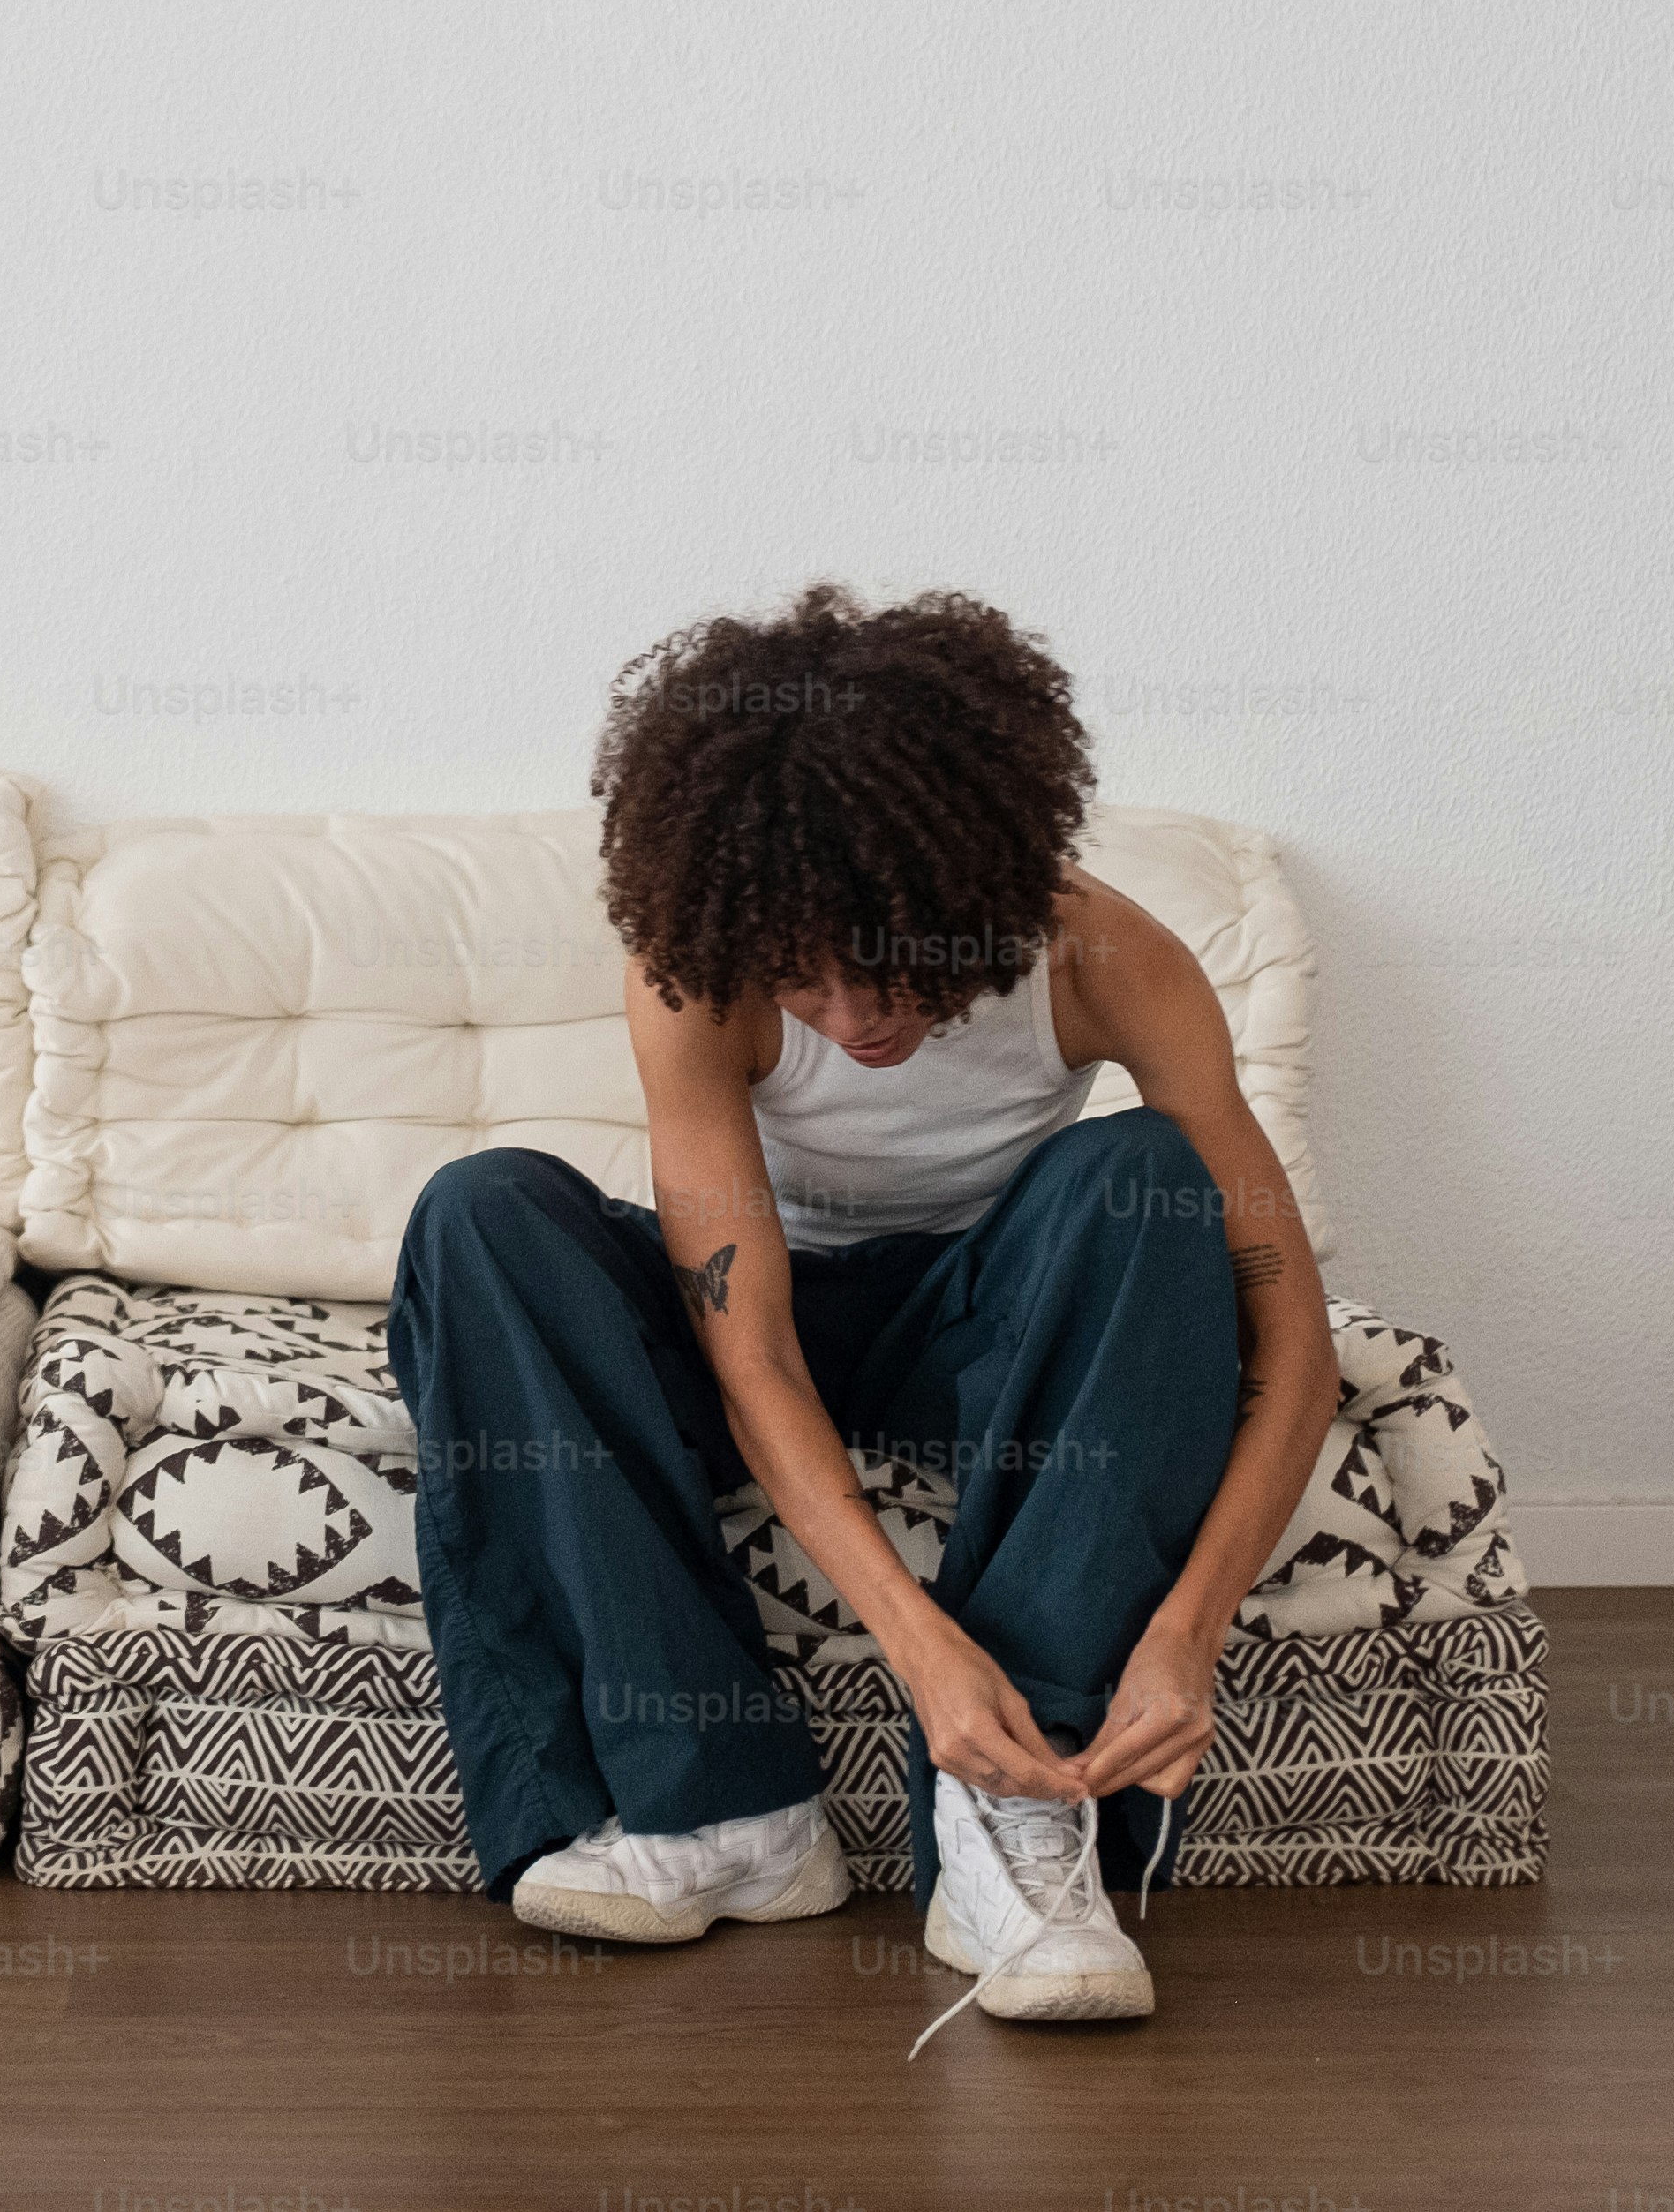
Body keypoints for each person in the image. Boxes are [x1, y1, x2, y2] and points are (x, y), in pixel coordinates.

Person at [386, 585, 1337, 2035]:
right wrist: (914, 1637)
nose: (851, 1015)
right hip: (767, 1318)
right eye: (800, 975)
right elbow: (749, 1342)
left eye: (894, 966)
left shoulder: (1108, 959)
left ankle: (1015, 1815)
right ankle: (723, 1811)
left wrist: (1188, 1631)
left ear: (980, 889)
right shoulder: (696, 972)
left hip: (990, 1324)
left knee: (1139, 1177)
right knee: (482, 1211)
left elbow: (1294, 1351)